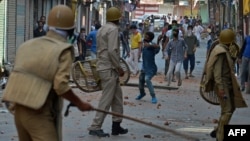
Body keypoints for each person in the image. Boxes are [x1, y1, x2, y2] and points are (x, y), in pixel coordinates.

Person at [2, 5, 93, 141]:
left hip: (17, 109)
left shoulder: (27, 45)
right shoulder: (63, 50)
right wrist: (79, 103)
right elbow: (61, 86)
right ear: (70, 30)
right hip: (38, 111)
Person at [87, 7, 128, 137]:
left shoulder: (101, 29)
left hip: (103, 67)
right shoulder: (113, 29)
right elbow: (112, 51)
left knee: (117, 98)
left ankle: (116, 125)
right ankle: (95, 126)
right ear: (117, 19)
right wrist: (119, 67)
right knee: (107, 99)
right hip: (109, 69)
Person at [203, 29, 247, 141]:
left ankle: (219, 129)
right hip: (222, 85)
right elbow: (217, 73)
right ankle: (220, 136)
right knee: (227, 111)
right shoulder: (220, 52)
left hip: (227, 84)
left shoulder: (223, 49)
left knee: (230, 108)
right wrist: (221, 89)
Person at [135, 31, 160, 104]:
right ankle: (142, 93)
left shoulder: (151, 45)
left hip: (151, 68)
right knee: (140, 82)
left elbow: (158, 47)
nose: (145, 37)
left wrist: (149, 45)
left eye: (147, 36)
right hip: (144, 68)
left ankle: (153, 96)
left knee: (147, 79)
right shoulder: (144, 45)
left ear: (150, 38)